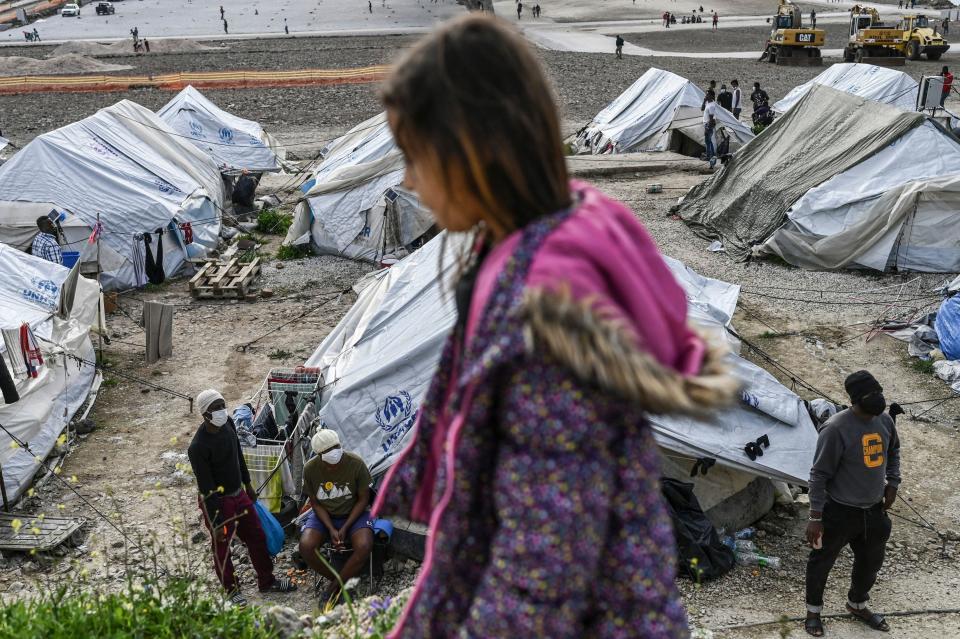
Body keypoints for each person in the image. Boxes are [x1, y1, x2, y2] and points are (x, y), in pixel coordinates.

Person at [373, 15, 736, 638]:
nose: (406, 180)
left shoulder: (548, 324)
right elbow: (458, 389)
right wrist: (408, 479)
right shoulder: (518, 239)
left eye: (414, 156)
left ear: (471, 151)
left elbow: (544, 568)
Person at [804, 371, 900, 637]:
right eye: (872, 394)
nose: (879, 398)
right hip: (839, 512)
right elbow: (819, 474)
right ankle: (813, 611)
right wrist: (815, 516)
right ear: (856, 399)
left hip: (873, 510)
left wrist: (893, 482)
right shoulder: (835, 428)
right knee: (821, 562)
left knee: (870, 562)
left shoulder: (885, 421)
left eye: (879, 391)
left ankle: (857, 604)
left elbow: (893, 451)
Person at [187, 389, 297, 606]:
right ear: (204, 414)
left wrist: (248, 485)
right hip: (218, 502)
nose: (221, 410)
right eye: (215, 408)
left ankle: (267, 581)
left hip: (239, 493)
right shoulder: (198, 447)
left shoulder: (228, 423)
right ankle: (231, 589)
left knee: (256, 536)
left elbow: (238, 456)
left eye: (222, 405)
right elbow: (206, 488)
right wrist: (217, 522)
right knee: (222, 546)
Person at [298, 430, 374, 609]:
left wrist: (345, 527)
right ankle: (341, 580)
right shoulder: (310, 469)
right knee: (306, 546)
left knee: (364, 545)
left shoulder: (356, 463)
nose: (334, 456)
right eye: (327, 452)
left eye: (336, 448)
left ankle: (331, 589)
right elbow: (315, 504)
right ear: (318, 455)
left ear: (340, 446)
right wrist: (331, 528)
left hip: (354, 514)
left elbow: (364, 499)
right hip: (325, 515)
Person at [702, 90, 718, 169]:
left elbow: (711, 119)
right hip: (706, 124)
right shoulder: (707, 103)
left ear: (711, 96)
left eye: (707, 94)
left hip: (709, 124)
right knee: (707, 141)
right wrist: (704, 101)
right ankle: (709, 156)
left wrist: (707, 128)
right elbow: (702, 109)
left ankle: (711, 157)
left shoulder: (711, 105)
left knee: (709, 141)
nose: (706, 96)